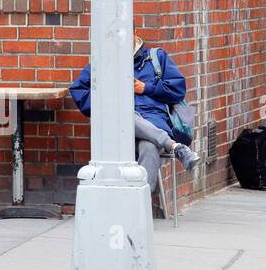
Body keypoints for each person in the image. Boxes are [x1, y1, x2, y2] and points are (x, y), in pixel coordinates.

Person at [69, 38, 198, 194]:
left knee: (149, 147)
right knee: (123, 113)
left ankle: (140, 203)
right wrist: (109, 100)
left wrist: (146, 88)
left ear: (135, 35)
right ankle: (174, 146)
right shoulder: (104, 61)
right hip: (119, 125)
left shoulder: (156, 57)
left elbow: (178, 91)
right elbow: (78, 90)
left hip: (154, 120)